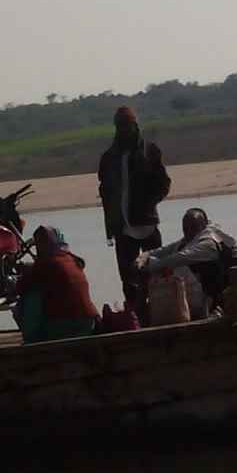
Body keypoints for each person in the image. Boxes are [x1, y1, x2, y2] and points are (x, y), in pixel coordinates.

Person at [97, 105, 171, 322]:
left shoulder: (150, 150)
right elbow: (105, 194)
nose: (124, 130)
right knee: (128, 278)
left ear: (135, 125)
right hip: (122, 226)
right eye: (120, 126)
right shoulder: (109, 157)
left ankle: (158, 313)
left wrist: (149, 203)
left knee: (156, 273)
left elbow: (164, 183)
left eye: (127, 125)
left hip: (147, 224)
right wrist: (110, 226)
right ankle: (136, 318)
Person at [143, 207, 237, 315]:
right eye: (186, 229)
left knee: (169, 268)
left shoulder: (208, 243)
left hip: (220, 297)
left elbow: (180, 257)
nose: (189, 232)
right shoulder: (192, 238)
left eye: (193, 227)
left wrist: (150, 267)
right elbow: (165, 250)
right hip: (205, 294)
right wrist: (143, 257)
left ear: (204, 225)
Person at [17, 225, 99, 343]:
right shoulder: (72, 259)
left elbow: (20, 287)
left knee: (31, 296)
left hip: (67, 325)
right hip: (89, 323)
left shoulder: (45, 263)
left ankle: (32, 343)